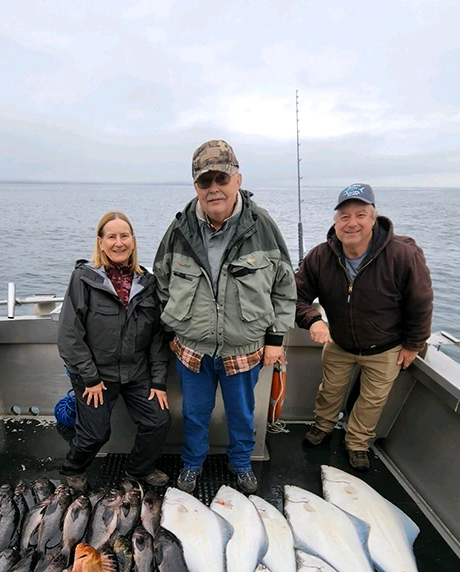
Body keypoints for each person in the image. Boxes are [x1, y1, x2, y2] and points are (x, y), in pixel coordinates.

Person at [154, 140, 296, 494]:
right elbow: (160, 281)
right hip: (192, 350)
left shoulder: (262, 225)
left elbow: (283, 286)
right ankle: (191, 465)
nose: (214, 188)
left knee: (242, 417)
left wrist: (276, 340)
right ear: (195, 187)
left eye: (222, 178)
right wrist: (171, 328)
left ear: (237, 179)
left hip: (244, 349)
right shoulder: (179, 229)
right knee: (194, 416)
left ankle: (242, 464)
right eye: (205, 181)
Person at [295, 183, 433, 472]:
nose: (352, 223)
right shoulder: (320, 256)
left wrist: (413, 344)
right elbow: (295, 295)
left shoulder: (403, 255)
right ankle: (323, 426)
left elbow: (420, 301)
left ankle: (357, 443)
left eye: (360, 214)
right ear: (335, 222)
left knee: (372, 401)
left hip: (386, 347)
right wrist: (314, 319)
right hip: (339, 342)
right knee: (329, 390)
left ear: (373, 219)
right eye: (344, 216)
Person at [57, 211, 171, 488]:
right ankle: (74, 468)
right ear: (100, 242)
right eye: (111, 237)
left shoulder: (148, 282)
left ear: (133, 240)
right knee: (95, 434)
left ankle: (138, 470)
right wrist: (90, 378)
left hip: (136, 372)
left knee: (158, 420)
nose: (118, 243)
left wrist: (157, 380)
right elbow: (70, 335)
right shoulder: (84, 279)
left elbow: (157, 337)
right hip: (96, 373)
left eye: (124, 236)